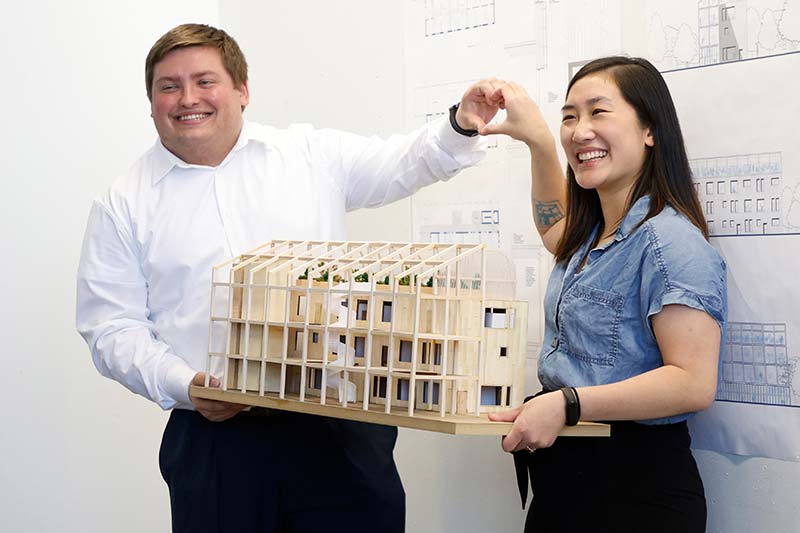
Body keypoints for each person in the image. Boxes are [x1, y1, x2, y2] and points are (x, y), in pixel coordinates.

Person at [76, 23, 507, 533]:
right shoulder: (123, 203)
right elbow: (112, 328)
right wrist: (184, 385)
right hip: (215, 442)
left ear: (242, 89)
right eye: (169, 86)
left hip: (339, 427)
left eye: (205, 81)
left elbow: (402, 161)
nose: (187, 98)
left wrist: (460, 124)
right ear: (151, 103)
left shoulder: (308, 155)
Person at [482, 56, 728, 533]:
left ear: (649, 130)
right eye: (569, 117)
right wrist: (537, 139)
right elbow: (553, 226)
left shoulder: (669, 243)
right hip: (567, 484)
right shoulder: (591, 237)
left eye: (598, 112)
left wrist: (568, 403)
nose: (580, 131)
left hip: (635, 495)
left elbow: (693, 383)